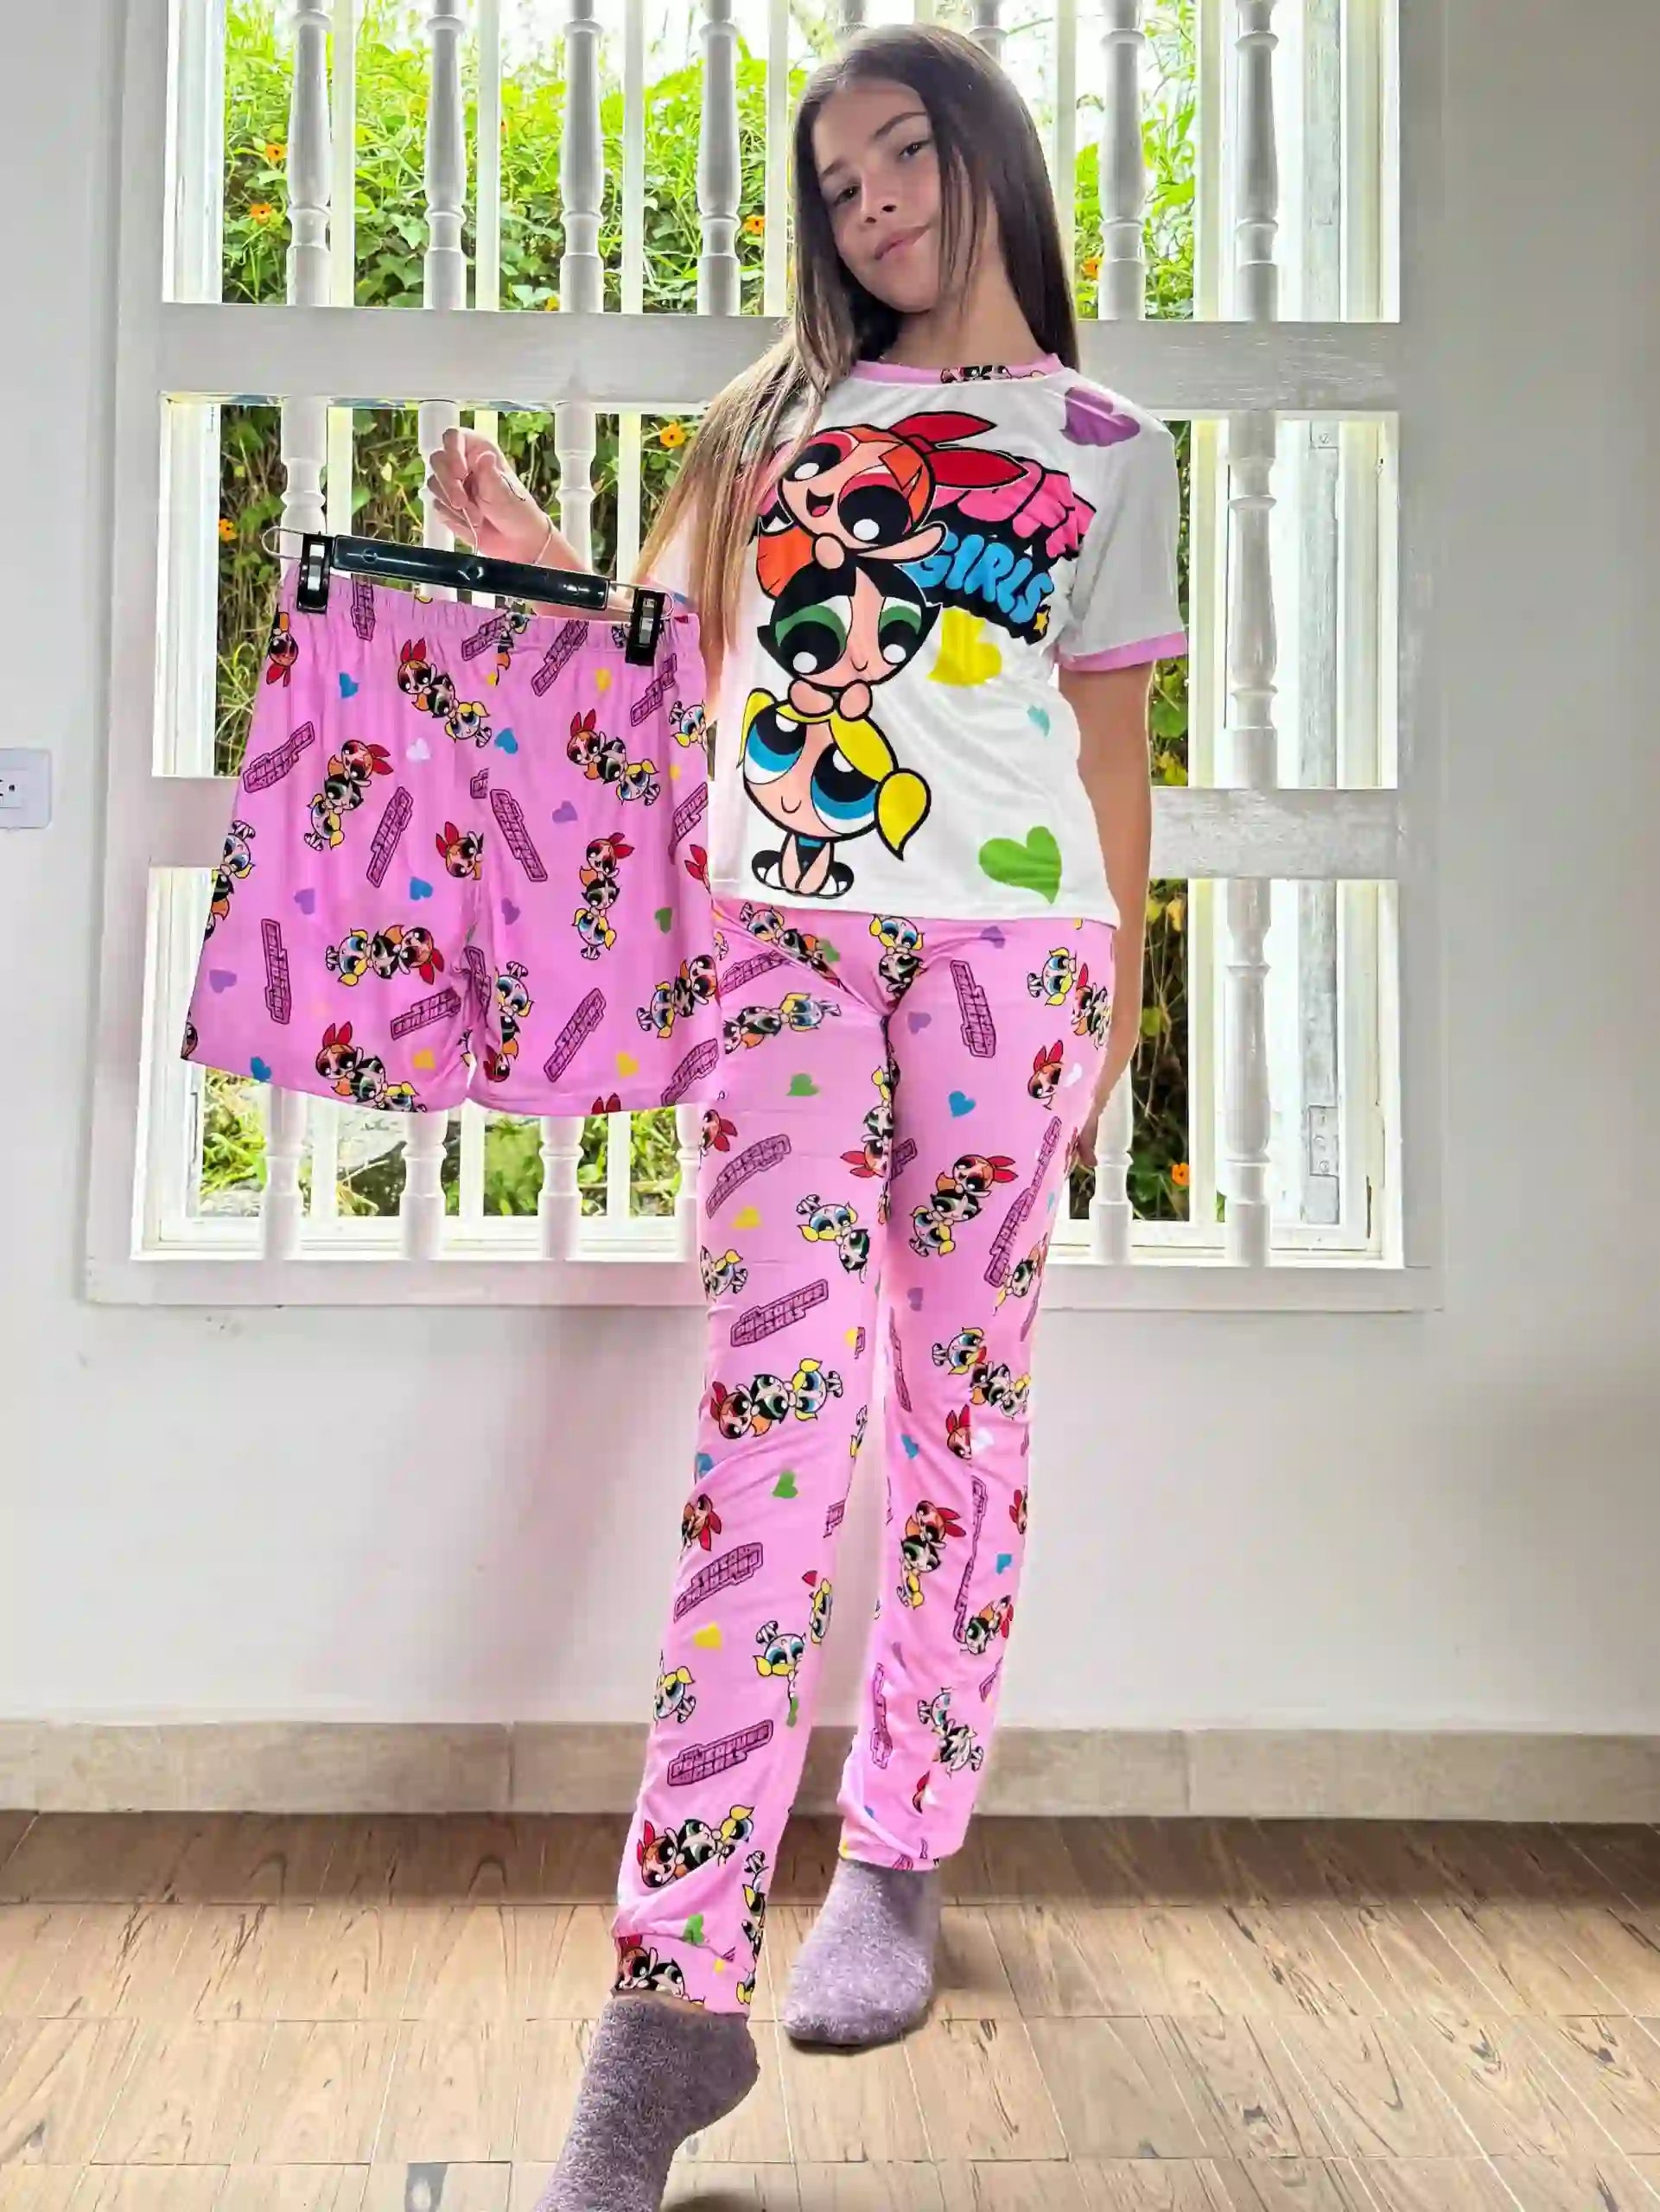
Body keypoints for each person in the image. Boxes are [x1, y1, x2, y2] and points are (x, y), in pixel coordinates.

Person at [428, 23, 1186, 2209]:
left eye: (902, 157)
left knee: (961, 1405)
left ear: (987, 153)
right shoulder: (766, 422)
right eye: (838, 185)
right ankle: (669, 1995)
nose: (873, 208)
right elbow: (675, 679)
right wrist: (533, 549)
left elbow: (1108, 753)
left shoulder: (1109, 444)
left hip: (1015, 961)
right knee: (773, 1417)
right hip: (784, 941)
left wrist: (1118, 1002)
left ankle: (899, 1848)